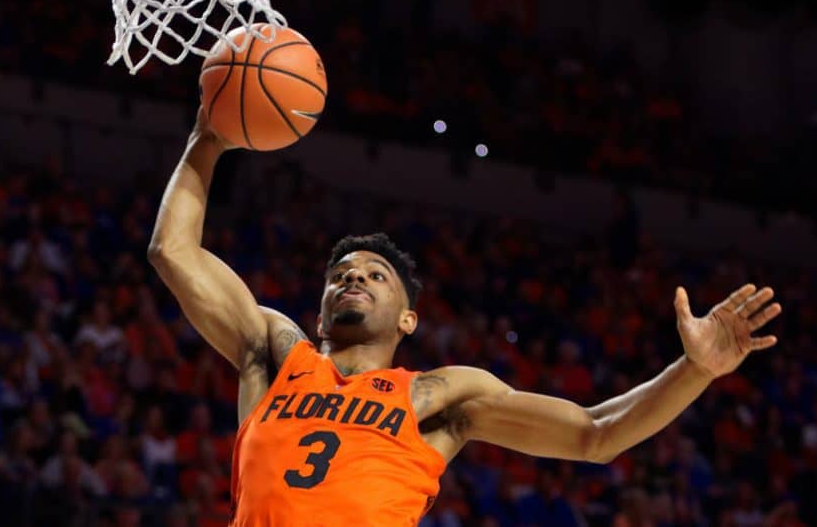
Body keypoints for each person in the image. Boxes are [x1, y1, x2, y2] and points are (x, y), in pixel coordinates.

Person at [147, 111, 782, 526]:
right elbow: (172, 251)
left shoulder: (440, 395)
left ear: (408, 321)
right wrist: (209, 134)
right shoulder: (275, 352)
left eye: (376, 275)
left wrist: (695, 370)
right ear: (319, 312)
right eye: (341, 274)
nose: (354, 278)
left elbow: (595, 433)